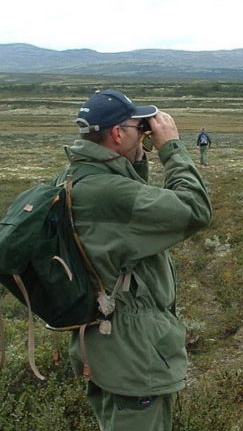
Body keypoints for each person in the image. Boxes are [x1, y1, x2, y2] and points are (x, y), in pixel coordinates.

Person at [57, 89, 212, 431]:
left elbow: (128, 209)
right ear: (116, 134)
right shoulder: (108, 192)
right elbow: (195, 210)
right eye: (138, 128)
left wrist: (137, 154)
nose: (144, 133)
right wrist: (171, 148)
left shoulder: (78, 178)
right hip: (133, 350)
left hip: (104, 342)